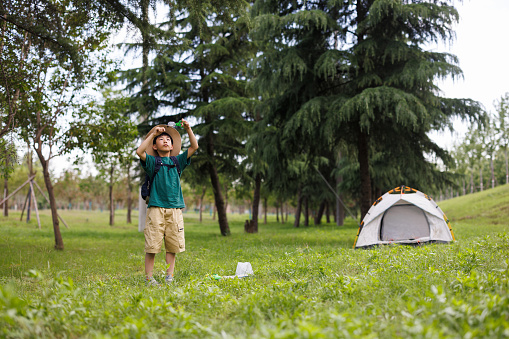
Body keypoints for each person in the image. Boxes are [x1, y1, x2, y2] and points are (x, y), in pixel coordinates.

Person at [136, 120, 198, 286]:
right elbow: (139, 151)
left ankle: (169, 277)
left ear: (172, 146)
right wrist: (153, 134)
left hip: (175, 210)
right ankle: (149, 278)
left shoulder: (178, 162)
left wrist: (188, 129)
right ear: (155, 146)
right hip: (156, 209)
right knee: (152, 246)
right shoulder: (152, 162)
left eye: (168, 140)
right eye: (161, 139)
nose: (165, 141)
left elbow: (194, 147)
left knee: (172, 246)